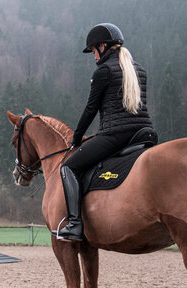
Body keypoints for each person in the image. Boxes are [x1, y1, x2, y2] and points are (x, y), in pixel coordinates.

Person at [53, 23, 153, 241]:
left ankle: (75, 223)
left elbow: (91, 109)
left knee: (69, 167)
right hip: (144, 134)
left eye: (93, 51)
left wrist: (76, 139)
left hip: (116, 135)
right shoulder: (139, 69)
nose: (93, 56)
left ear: (102, 46)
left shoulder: (104, 71)